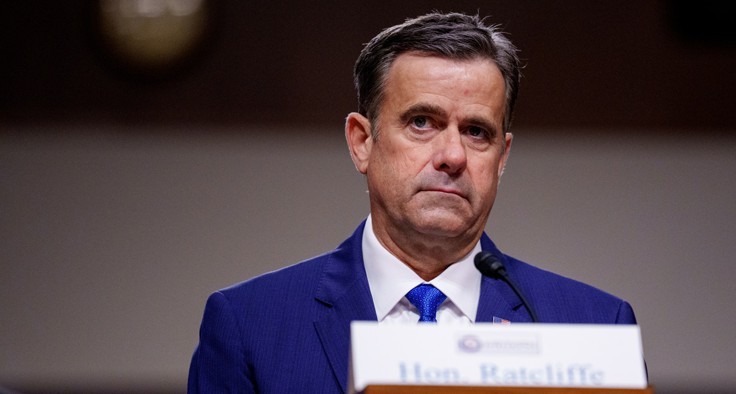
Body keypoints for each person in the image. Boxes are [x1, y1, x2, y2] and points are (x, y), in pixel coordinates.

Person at [188, 12, 638, 393]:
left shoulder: (595, 326)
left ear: (502, 157)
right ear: (362, 142)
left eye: (477, 132)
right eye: (422, 122)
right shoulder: (249, 325)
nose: (453, 156)